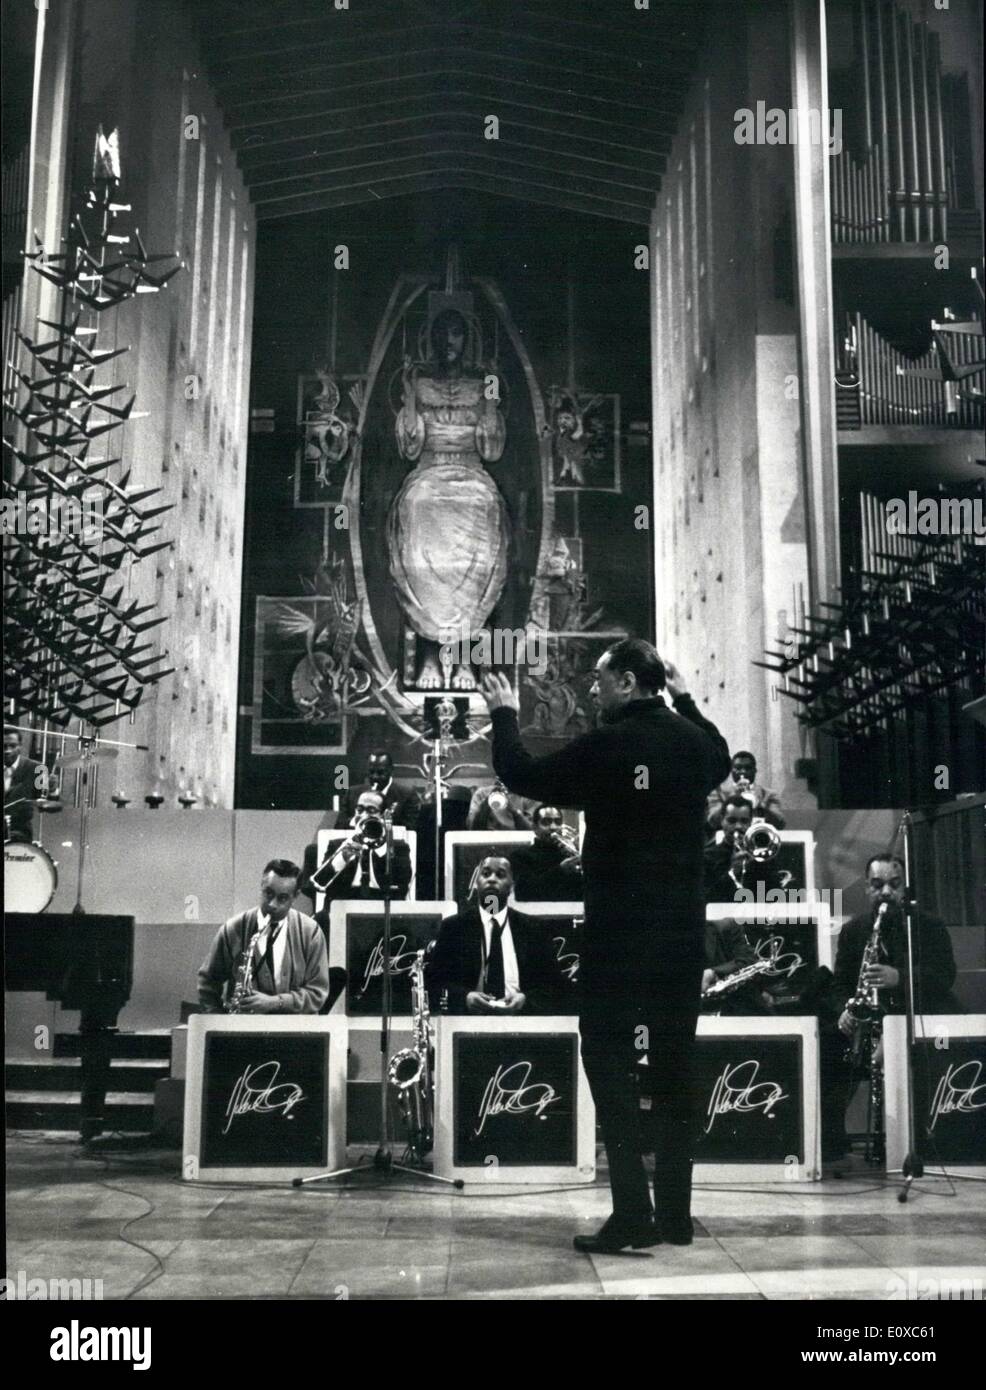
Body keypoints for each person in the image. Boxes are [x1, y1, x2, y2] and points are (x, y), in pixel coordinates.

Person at [481, 639, 730, 1253]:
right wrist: (685, 695)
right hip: (680, 932)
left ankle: (631, 1212)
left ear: (624, 681)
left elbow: (524, 776)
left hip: (620, 930)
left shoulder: (608, 744)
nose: (591, 691)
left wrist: (505, 714)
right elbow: (722, 761)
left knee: (607, 1055)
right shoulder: (691, 740)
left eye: (598, 680)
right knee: (674, 1063)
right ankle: (674, 1215)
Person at [819, 854, 960, 1168]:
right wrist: (845, 1010)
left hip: (914, 1018)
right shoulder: (854, 930)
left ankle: (918, 1138)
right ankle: (830, 1142)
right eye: (877, 885)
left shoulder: (929, 925)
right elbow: (840, 984)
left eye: (894, 885)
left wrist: (900, 978)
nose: (886, 892)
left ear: (904, 886)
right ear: (867, 889)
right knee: (827, 1047)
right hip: (870, 1021)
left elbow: (945, 976)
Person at [427, 855, 567, 1015]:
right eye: (485, 874)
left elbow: (555, 987)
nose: (492, 879)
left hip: (522, 1025)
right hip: (467, 1025)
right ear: (476, 883)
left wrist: (525, 1000)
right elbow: (434, 983)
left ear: (511, 886)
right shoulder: (453, 928)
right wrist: (465, 997)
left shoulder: (534, 929)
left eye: (500, 875)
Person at [198, 859, 329, 1014]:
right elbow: (207, 983)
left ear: (295, 897)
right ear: (261, 887)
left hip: (294, 1033)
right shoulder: (232, 929)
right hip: (243, 1032)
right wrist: (220, 1024)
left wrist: (275, 1003)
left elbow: (317, 993)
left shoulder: (311, 932)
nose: (272, 904)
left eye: (282, 898)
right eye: (268, 893)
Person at [306, 791, 413, 906]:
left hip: (381, 904)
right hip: (344, 903)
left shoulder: (398, 847)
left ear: (383, 816)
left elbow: (402, 887)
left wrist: (379, 849)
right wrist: (342, 858)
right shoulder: (337, 845)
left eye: (371, 810)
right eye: (359, 810)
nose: (363, 815)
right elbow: (317, 884)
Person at [703, 796, 788, 904]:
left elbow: (778, 897)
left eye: (744, 821)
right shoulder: (709, 856)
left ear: (750, 822)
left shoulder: (762, 855)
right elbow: (706, 900)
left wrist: (758, 866)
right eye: (731, 821)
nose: (738, 826)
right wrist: (732, 873)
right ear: (722, 820)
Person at [510, 804, 584, 902]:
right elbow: (523, 892)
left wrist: (580, 853)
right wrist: (560, 870)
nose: (553, 827)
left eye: (557, 822)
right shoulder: (520, 856)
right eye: (546, 822)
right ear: (534, 827)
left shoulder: (568, 855)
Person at [706, 750, 784, 833]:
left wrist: (760, 805)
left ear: (755, 770)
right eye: (738, 768)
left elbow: (780, 824)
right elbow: (713, 821)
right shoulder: (718, 793)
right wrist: (734, 796)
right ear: (731, 770)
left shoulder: (769, 794)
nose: (743, 771)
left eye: (748, 768)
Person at [341, 749, 421, 830]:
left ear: (391, 770)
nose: (375, 777)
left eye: (380, 772)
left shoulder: (407, 795)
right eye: (371, 772)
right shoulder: (352, 793)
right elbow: (339, 826)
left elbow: (411, 828)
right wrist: (355, 820)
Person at [3, 726, 41, 843]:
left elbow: (49, 800)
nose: (8, 750)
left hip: (21, 836)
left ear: (20, 746)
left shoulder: (37, 768)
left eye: (13, 746)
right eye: (4, 746)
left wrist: (53, 790)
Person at [466, 778, 532, 831]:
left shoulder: (527, 796)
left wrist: (514, 811)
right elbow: (471, 826)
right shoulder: (482, 793)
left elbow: (533, 830)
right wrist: (485, 804)